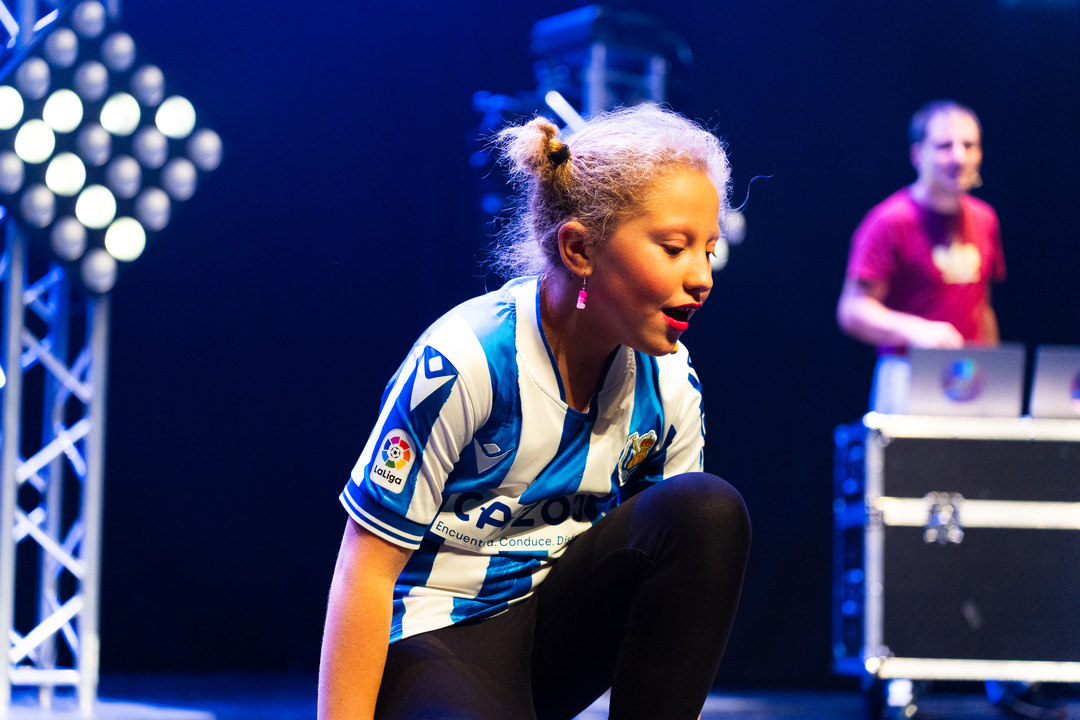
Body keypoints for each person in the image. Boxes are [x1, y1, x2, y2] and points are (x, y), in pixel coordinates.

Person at [317, 104, 751, 720]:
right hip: (439, 632)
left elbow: (669, 575)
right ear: (579, 248)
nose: (702, 277)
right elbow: (365, 572)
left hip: (552, 627)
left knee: (706, 511)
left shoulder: (670, 380)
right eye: (675, 248)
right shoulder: (466, 359)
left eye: (709, 249)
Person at [836, 100, 1006, 413]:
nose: (959, 157)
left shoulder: (985, 219)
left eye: (969, 145)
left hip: (970, 379)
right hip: (908, 376)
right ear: (918, 155)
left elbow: (983, 306)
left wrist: (994, 374)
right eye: (944, 146)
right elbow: (852, 309)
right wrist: (917, 330)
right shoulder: (890, 221)